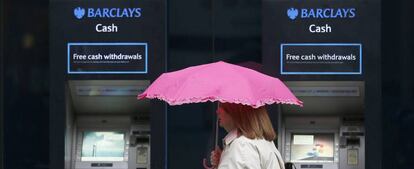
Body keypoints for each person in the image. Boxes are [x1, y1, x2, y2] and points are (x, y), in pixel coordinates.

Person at [210, 103, 285, 169]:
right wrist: (224, 160)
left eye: (222, 106)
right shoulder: (264, 142)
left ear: (236, 111)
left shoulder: (242, 146)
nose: (217, 111)